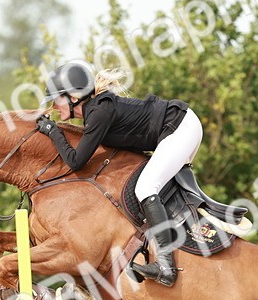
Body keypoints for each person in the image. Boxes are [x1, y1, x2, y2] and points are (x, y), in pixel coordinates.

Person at [35, 60, 202, 287]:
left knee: (146, 187)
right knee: (150, 185)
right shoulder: (96, 112)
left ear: (73, 97)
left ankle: (166, 266)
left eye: (57, 100)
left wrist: (52, 131)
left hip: (180, 127)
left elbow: (76, 161)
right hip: (180, 127)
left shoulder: (99, 113)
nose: (54, 107)